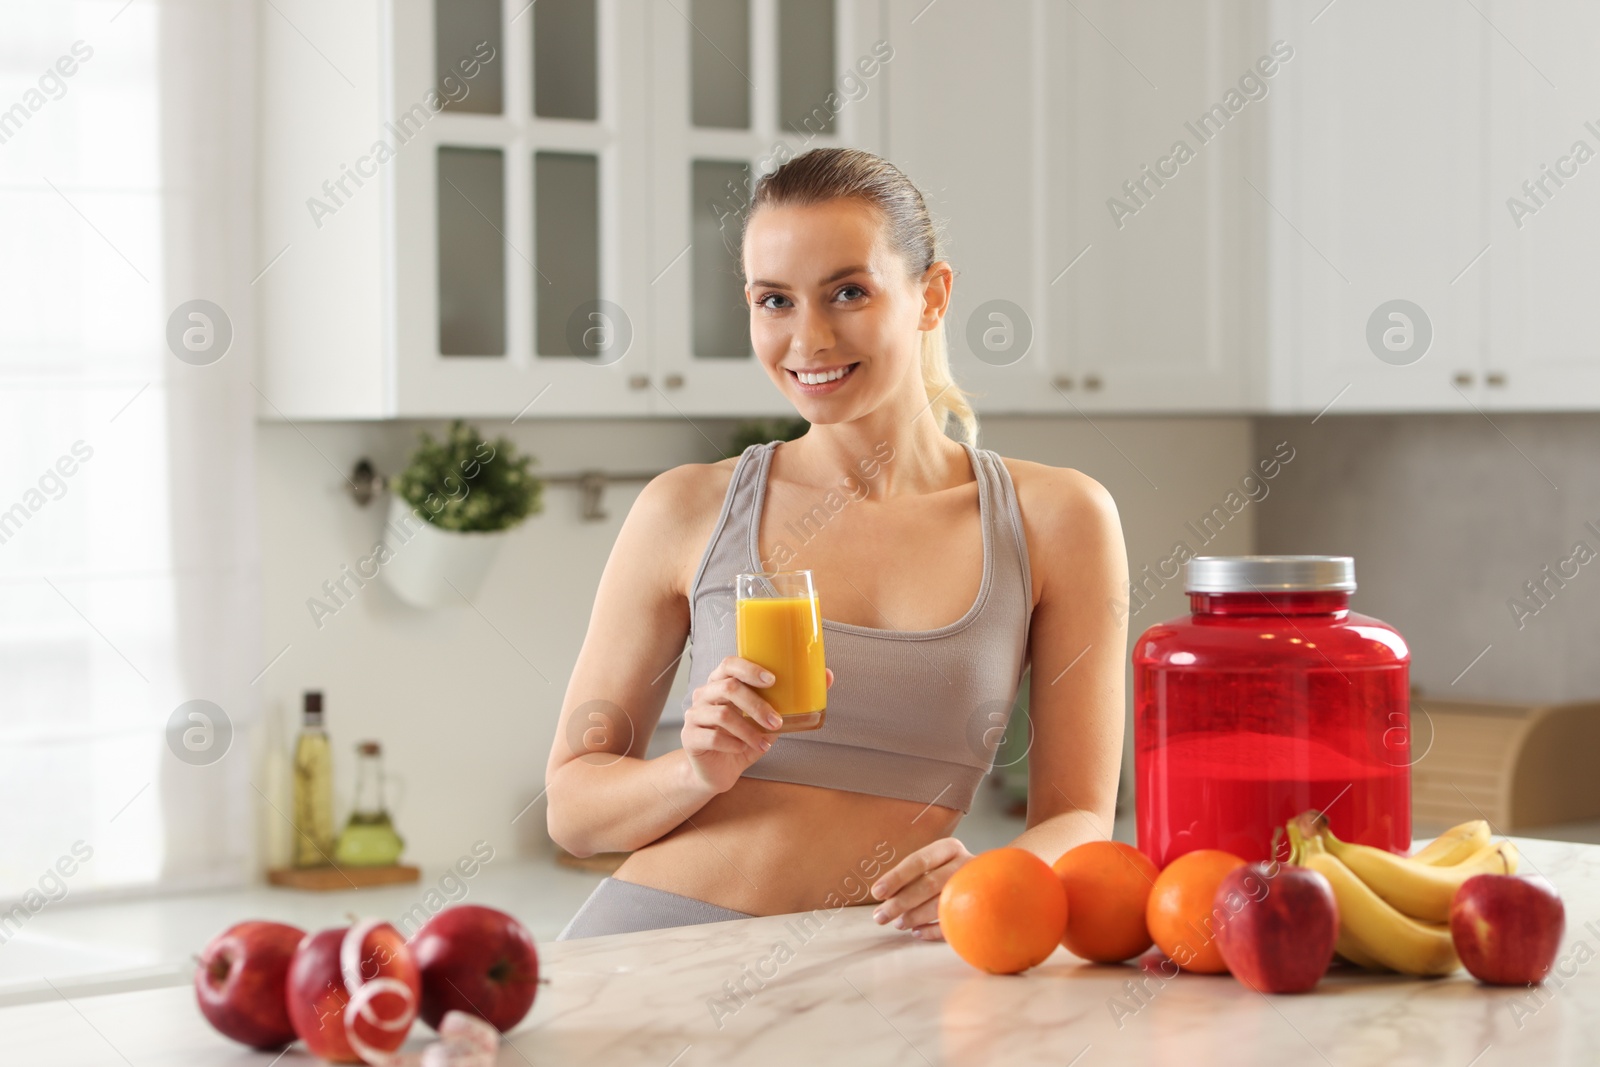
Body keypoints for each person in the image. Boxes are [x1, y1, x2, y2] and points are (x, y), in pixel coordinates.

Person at [546, 147, 1128, 941]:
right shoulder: (687, 509)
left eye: (848, 292)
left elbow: (1081, 814)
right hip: (657, 949)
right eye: (774, 300)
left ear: (932, 296)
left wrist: (997, 874)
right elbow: (573, 812)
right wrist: (696, 767)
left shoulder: (1057, 518)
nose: (808, 339)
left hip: (878, 972)